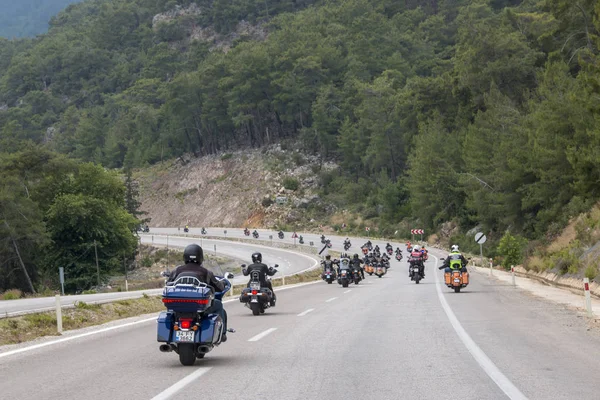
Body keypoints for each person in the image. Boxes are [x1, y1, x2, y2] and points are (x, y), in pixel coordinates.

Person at [167, 244, 229, 342]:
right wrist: (223, 283)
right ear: (200, 257)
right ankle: (222, 334)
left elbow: (168, 284)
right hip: (199, 307)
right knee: (218, 305)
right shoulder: (206, 272)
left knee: (169, 313)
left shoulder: (177, 271)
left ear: (185, 256)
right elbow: (219, 287)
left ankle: (171, 336)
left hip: (179, 306)